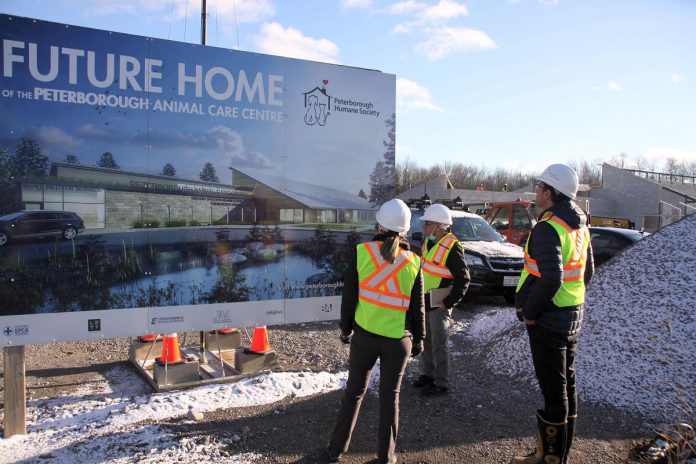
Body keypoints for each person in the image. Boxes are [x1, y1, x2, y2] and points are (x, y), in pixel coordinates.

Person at [326, 198, 425, 464]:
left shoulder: (361, 253)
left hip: (365, 338)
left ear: (379, 224)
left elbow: (349, 298)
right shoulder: (414, 261)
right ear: (404, 230)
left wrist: (345, 329)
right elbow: (418, 308)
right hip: (397, 340)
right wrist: (420, 339)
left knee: (354, 393)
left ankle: (336, 449)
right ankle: (386, 458)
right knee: (390, 399)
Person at [511, 164, 594, 464]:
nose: (535, 193)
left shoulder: (548, 227)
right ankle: (558, 453)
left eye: (539, 188)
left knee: (553, 388)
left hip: (548, 319)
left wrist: (530, 312)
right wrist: (572, 302)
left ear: (549, 193)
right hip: (572, 315)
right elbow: (587, 272)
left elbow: (551, 278)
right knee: (566, 384)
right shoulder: (579, 225)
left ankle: (550, 457)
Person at [412, 204, 470, 396]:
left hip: (439, 304)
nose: (424, 228)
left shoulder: (452, 247)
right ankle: (428, 375)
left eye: (427, 224)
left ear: (438, 226)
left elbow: (464, 279)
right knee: (426, 340)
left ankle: (441, 382)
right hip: (426, 301)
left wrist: (449, 302)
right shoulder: (429, 242)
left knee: (439, 342)